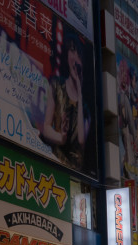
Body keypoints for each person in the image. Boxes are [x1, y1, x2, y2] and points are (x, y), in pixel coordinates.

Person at [41, 34, 88, 169]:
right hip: (54, 163)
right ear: (67, 54)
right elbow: (46, 127)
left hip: (76, 172)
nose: (75, 59)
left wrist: (79, 94)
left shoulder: (85, 108)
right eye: (72, 50)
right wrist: (61, 137)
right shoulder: (56, 85)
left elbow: (81, 140)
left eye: (79, 55)